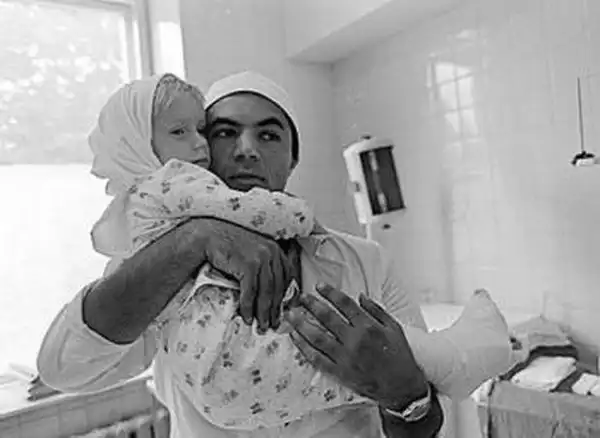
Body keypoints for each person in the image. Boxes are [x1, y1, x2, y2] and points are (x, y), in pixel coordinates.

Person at [37, 71, 512, 437]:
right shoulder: (160, 263)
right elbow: (65, 368)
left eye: (268, 135)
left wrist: (404, 394)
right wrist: (196, 238)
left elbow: (426, 426)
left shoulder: (365, 264)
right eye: (224, 133)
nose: (245, 150)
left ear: (293, 157)